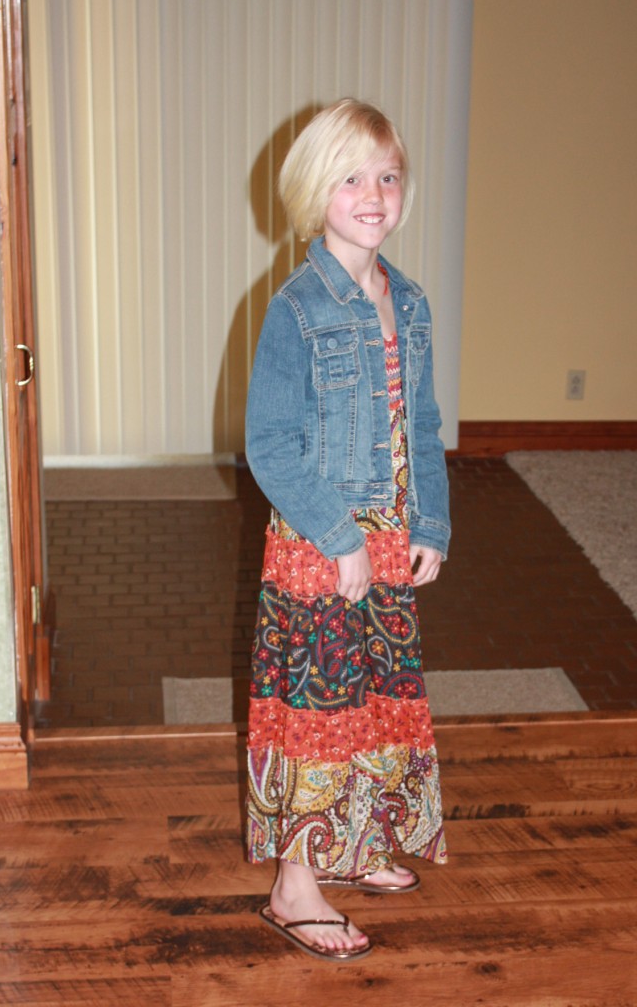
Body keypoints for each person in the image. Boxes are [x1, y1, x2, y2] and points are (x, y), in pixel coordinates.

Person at [244, 98, 451, 961]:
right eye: (352, 178)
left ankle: (356, 840)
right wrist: (341, 537)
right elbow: (269, 445)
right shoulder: (297, 308)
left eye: (388, 176)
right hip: (321, 541)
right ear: (313, 191)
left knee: (373, 698)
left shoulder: (410, 301)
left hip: (390, 534)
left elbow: (421, 423)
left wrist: (430, 520)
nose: (374, 195)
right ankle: (295, 889)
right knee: (318, 713)